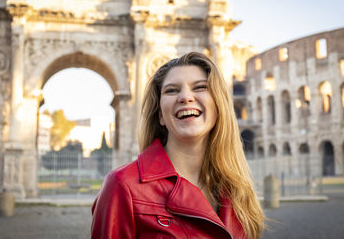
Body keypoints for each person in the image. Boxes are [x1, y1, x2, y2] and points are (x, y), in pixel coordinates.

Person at [91, 52, 264, 239]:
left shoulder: (237, 188)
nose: (186, 97)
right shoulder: (122, 186)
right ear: (160, 115)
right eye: (171, 90)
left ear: (218, 106)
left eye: (200, 87)